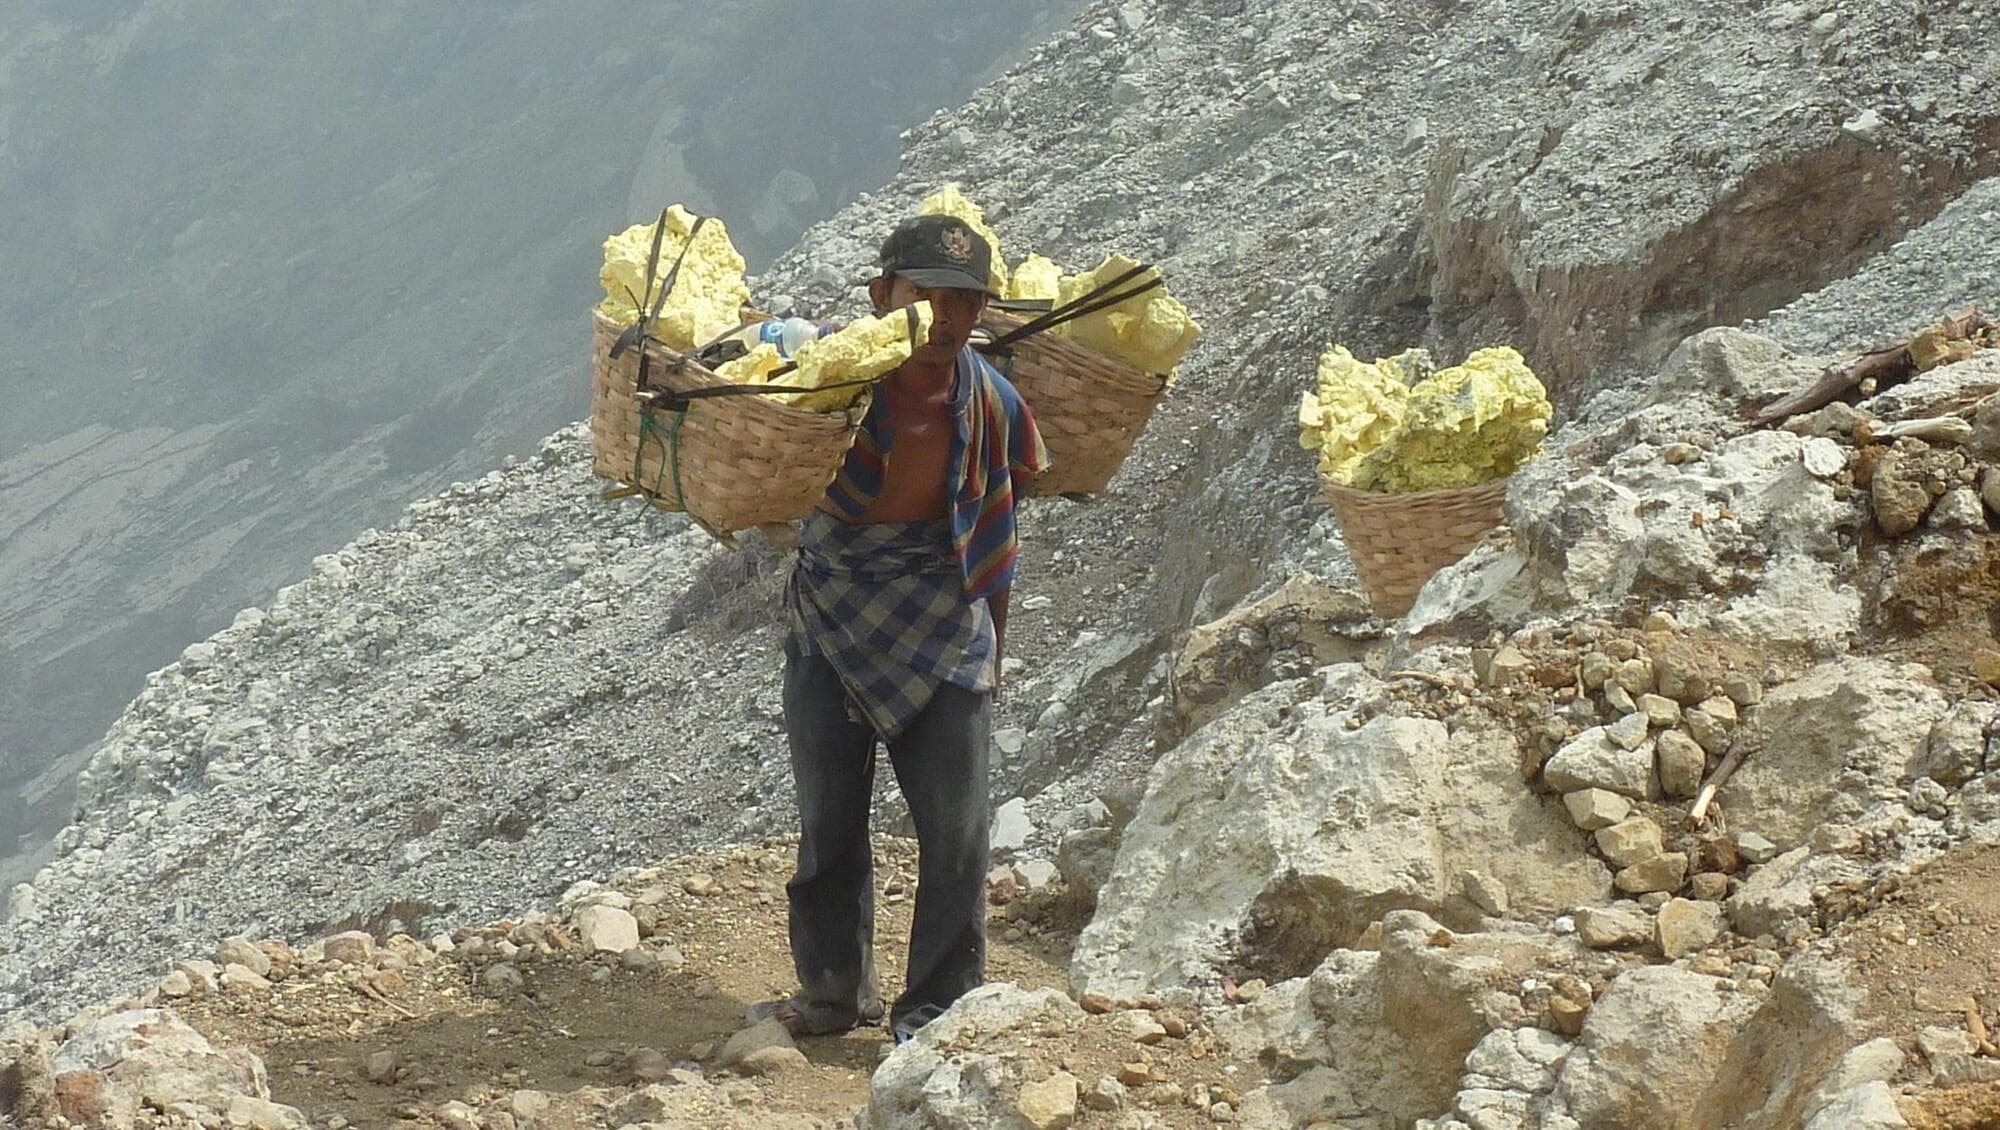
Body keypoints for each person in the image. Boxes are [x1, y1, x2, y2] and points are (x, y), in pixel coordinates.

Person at [749, 213, 1048, 1043]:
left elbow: (999, 521)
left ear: (983, 310)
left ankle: (937, 1011)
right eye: (924, 295)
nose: (944, 318)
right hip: (832, 616)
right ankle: (833, 991)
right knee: (829, 823)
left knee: (956, 831)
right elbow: (767, 479)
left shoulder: (991, 402)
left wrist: (995, 638)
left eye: (963, 300)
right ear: (884, 296)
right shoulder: (829, 388)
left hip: (946, 618)